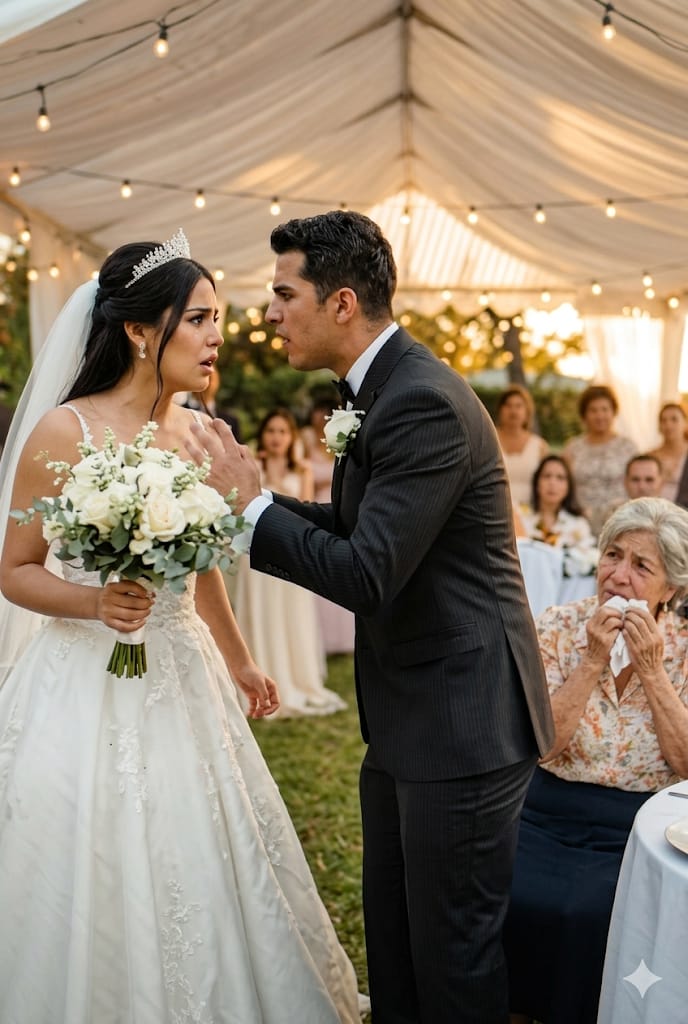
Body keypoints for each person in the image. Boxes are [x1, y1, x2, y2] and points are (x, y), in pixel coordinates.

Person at [187, 209, 555, 1024]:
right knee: (396, 949)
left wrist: (252, 509)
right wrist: (249, 502)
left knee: (451, 963)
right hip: (410, 720)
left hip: (462, 727)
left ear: (342, 302)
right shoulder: (382, 389)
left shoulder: (421, 400)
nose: (270, 313)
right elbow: (356, 528)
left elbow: (366, 572)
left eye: (285, 294)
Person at [0, 232, 362, 1023]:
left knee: (201, 849)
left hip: (183, 669)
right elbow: (15, 567)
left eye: (217, 320)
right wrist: (93, 601)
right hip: (80, 682)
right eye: (197, 319)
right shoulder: (66, 433)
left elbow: (198, 567)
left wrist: (239, 659)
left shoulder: (201, 431)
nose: (216, 336)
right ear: (139, 330)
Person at [504, 496, 688, 1024]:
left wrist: (652, 671)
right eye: (612, 555)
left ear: (670, 589)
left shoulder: (681, 648)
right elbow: (542, 746)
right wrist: (590, 662)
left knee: (591, 910)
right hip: (546, 811)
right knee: (512, 893)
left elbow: (684, 761)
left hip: (640, 824)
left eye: (641, 565)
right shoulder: (558, 627)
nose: (619, 576)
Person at [233, 406, 347, 716]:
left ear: (291, 437)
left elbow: (306, 516)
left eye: (282, 431)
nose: (276, 437)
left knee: (290, 615)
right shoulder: (252, 466)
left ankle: (291, 679)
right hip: (254, 552)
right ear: (263, 435)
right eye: (271, 431)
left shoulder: (303, 471)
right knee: (258, 614)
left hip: (289, 553)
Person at [300, 394, 355, 654]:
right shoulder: (305, 440)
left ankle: (342, 638)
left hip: (338, 506)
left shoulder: (340, 440)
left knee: (338, 563)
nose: (320, 418)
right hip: (313, 504)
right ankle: (320, 639)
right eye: (317, 412)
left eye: (326, 413)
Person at [562, 384, 637, 538]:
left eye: (604, 409)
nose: (600, 415)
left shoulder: (628, 447)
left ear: (613, 412)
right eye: (593, 410)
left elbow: (637, 484)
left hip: (620, 522)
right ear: (584, 414)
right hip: (580, 522)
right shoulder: (573, 447)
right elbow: (566, 486)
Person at [519, 454, 597, 579]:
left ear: (568, 487)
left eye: (560, 478)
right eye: (547, 476)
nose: (552, 483)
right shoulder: (520, 517)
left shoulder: (578, 523)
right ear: (537, 483)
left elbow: (587, 558)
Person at [495, 383, 549, 508]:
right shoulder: (489, 439)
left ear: (527, 412)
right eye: (508, 405)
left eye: (518, 406)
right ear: (500, 410)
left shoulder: (540, 446)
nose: (513, 411)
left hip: (529, 513)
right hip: (495, 510)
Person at [183, 363, 242, 441]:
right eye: (202, 376)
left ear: (218, 381)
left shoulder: (231, 419)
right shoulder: (180, 411)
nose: (207, 383)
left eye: (210, 378)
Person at [648, 400, 688, 501]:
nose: (668, 425)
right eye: (663, 420)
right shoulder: (650, 456)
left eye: (674, 419)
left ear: (685, 423)